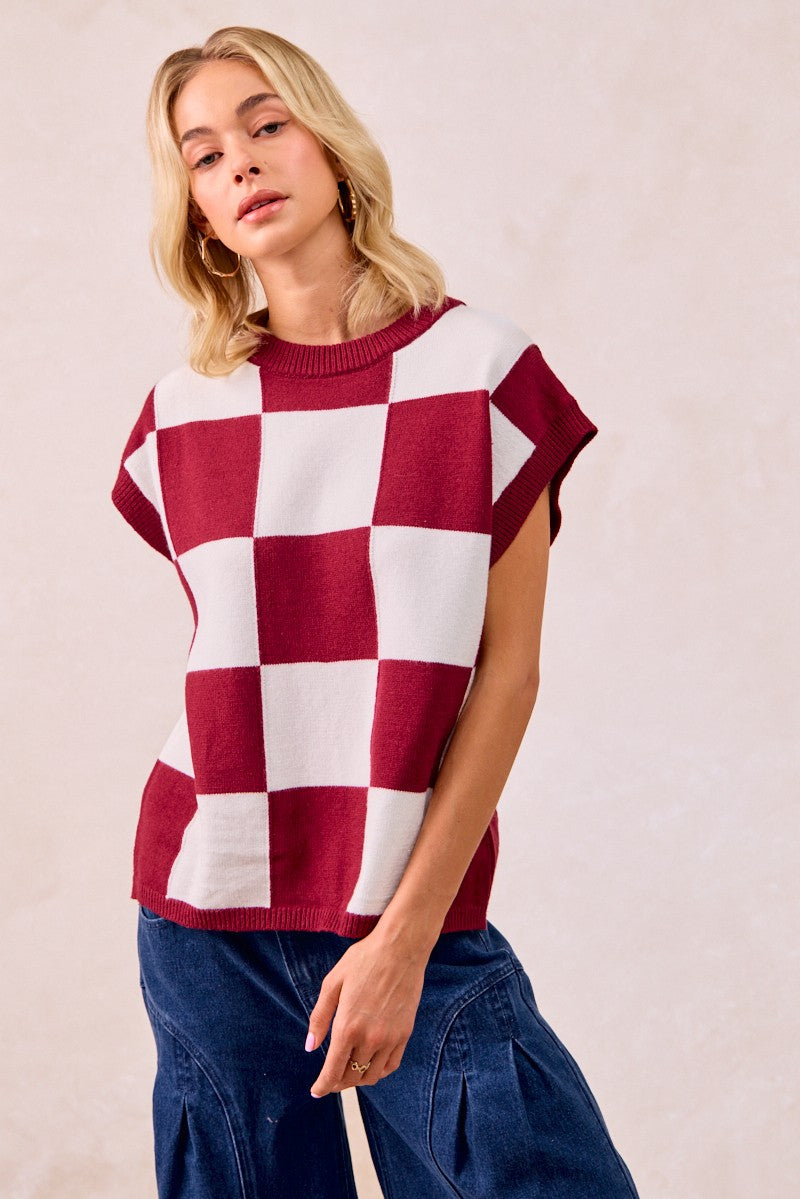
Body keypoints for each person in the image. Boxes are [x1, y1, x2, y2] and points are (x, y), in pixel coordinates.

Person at [110, 24, 641, 1199]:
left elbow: (507, 675)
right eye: (204, 155)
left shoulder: (483, 375)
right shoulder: (182, 412)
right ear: (195, 211)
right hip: (205, 911)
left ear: (331, 147)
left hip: (411, 906)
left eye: (266, 125)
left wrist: (401, 938)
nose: (242, 164)